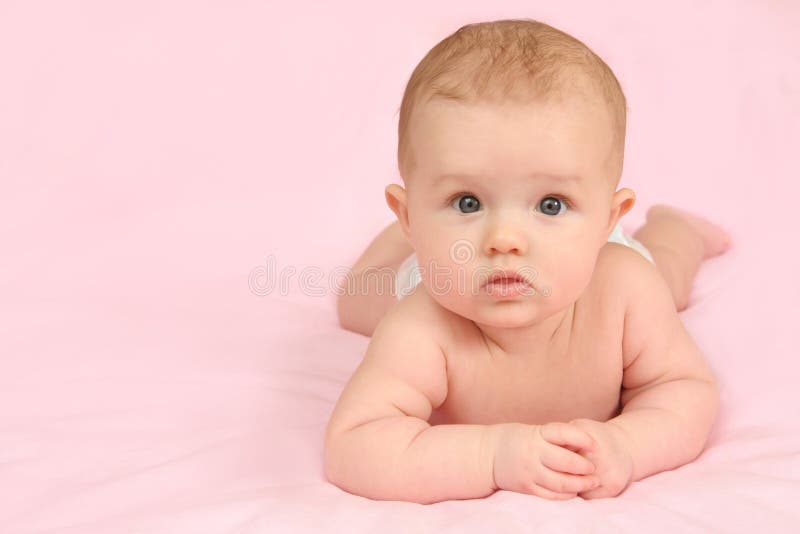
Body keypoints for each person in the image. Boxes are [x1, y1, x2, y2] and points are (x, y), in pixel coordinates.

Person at [325, 18, 732, 504]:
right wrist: (491, 456)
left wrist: (628, 444)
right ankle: (403, 238)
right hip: (445, 269)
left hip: (592, 266)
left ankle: (674, 228)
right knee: (356, 303)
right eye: (468, 202)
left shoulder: (625, 290)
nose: (505, 239)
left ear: (608, 218)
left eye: (551, 204)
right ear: (410, 214)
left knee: (668, 281)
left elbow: (685, 389)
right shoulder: (422, 326)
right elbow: (353, 446)